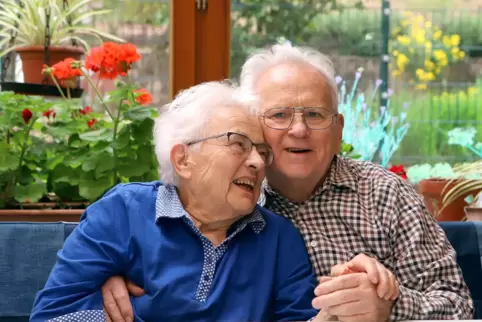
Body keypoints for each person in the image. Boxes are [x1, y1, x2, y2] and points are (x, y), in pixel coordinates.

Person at [101, 43, 474, 322]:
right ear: (251, 124)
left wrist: (388, 307)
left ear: (339, 128)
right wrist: (109, 278)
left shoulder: (386, 195)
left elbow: (459, 307)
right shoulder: (224, 195)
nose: (299, 129)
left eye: (315, 114)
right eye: (279, 114)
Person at [31, 81, 324, 322]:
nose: (257, 162)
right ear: (183, 160)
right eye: (238, 144)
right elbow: (52, 315)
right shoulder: (123, 211)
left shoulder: (278, 238)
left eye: (262, 152)